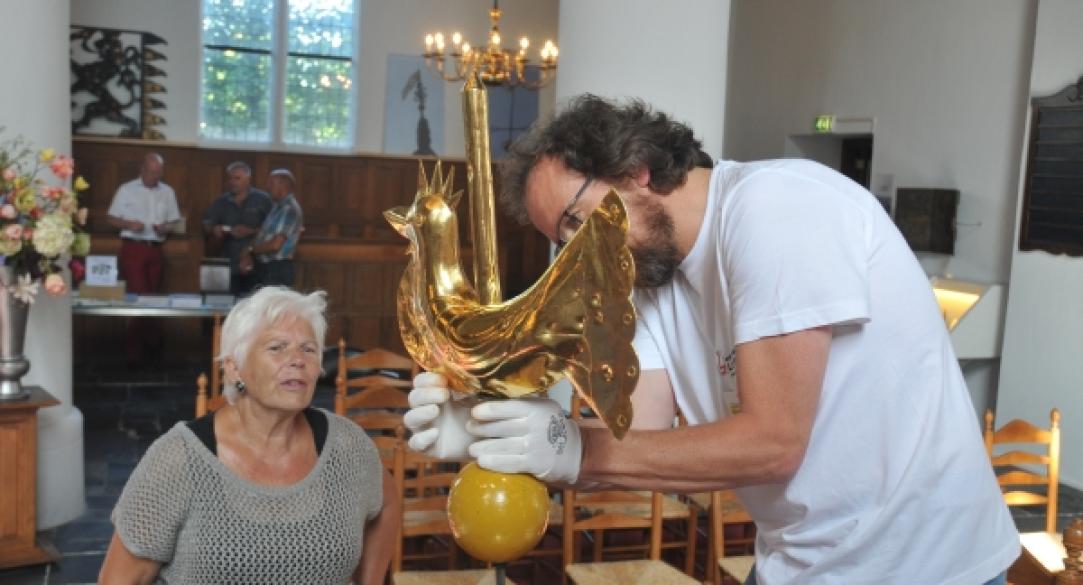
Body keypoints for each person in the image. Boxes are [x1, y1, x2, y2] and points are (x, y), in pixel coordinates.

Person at [404, 95, 1019, 584]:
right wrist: (490, 429)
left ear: (634, 170)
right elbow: (634, 439)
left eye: (574, 221)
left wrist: (571, 450)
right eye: (560, 244)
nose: (572, 256)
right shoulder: (642, 277)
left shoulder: (776, 208)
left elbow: (774, 443)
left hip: (922, 567)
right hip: (801, 564)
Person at [99, 287, 399, 584]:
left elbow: (387, 502)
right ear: (234, 368)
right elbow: (119, 580)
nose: (298, 359)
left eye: (308, 349)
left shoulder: (347, 445)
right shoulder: (179, 458)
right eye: (277, 347)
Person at [106, 152, 181, 367]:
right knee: (139, 297)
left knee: (153, 297)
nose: (154, 177)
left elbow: (174, 222)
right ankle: (138, 351)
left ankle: (150, 345)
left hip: (156, 248)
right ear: (142, 170)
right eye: (150, 172)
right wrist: (129, 224)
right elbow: (111, 219)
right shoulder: (126, 189)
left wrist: (165, 227)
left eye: (158, 173)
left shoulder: (168, 192)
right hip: (133, 248)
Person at [203, 161, 272, 296]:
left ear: (248, 179)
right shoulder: (221, 202)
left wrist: (250, 231)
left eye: (237, 178)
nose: (233, 182)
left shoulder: (263, 200)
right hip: (229, 263)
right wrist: (214, 229)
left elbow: (271, 229)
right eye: (231, 178)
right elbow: (207, 224)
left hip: (257, 264)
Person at [239, 168, 303, 288]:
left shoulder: (288, 209)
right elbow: (263, 233)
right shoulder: (277, 207)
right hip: (266, 267)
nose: (267, 187)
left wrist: (251, 250)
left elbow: (275, 245)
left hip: (277, 269)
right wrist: (249, 251)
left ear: (283, 186)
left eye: (271, 183)